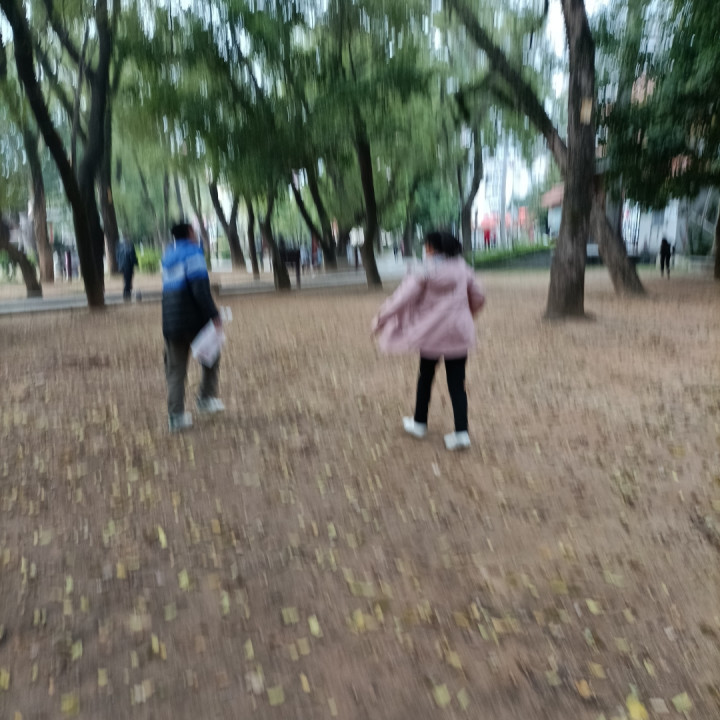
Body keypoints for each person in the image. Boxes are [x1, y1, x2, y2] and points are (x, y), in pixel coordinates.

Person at [371, 230, 485, 451]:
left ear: (431, 248)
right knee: (457, 384)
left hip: (432, 333)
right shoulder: (463, 268)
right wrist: (467, 313)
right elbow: (479, 296)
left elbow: (401, 298)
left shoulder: (424, 271)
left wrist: (380, 319)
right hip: (459, 333)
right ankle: (461, 433)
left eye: (426, 246)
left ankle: (419, 422)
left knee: (425, 377)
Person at [162, 221, 225, 432]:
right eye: (194, 231)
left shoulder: (167, 257)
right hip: (194, 320)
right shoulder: (194, 254)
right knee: (211, 356)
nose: (196, 234)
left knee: (176, 370)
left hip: (171, 322)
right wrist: (214, 315)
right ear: (189, 232)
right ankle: (206, 398)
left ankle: (176, 416)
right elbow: (200, 289)